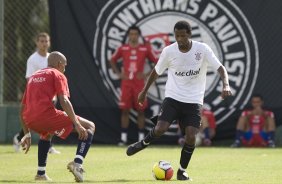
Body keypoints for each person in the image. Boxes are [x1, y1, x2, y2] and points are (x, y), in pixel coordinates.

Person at [126, 20, 232, 180]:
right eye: (177, 36)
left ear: (189, 34)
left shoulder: (202, 49)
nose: (180, 39)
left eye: (183, 36)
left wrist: (226, 84)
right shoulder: (169, 51)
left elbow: (220, 68)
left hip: (194, 100)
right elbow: (156, 71)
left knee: (191, 136)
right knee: (161, 128)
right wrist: (144, 91)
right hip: (173, 97)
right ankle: (143, 143)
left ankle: (182, 171)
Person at [19, 51, 95, 182]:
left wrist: (27, 134)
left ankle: (40, 174)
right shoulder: (57, 74)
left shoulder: (33, 76)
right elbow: (64, 100)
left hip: (30, 120)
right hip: (46, 116)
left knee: (47, 133)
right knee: (89, 126)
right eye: (65, 66)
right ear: (60, 64)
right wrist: (76, 123)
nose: (65, 69)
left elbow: (22, 109)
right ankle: (77, 164)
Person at [109, 25, 157, 145]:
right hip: (126, 83)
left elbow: (157, 62)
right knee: (125, 110)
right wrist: (119, 73)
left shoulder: (144, 49)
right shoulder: (123, 48)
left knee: (141, 111)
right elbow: (112, 60)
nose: (133, 36)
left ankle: (141, 139)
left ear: (139, 35)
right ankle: (123, 139)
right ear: (128, 35)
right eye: (131, 34)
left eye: (135, 34)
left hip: (139, 84)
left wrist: (146, 74)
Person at [13, 32, 60, 154]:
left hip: (51, 97)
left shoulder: (52, 58)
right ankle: (19, 138)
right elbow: (30, 79)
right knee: (35, 121)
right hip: (37, 97)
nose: (44, 44)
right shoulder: (32, 59)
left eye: (46, 41)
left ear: (49, 43)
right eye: (42, 41)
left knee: (50, 121)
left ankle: (48, 146)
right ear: (37, 43)